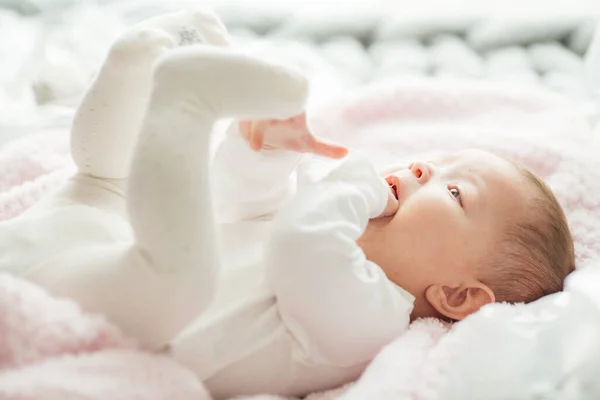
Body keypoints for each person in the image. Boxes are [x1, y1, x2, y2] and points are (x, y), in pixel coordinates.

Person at [0, 9, 575, 399]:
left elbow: (300, 242)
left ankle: (186, 99)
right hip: (72, 240)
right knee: (108, 177)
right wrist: (266, 157)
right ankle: (139, 61)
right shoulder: (327, 216)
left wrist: (353, 180)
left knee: (179, 277)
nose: (425, 168)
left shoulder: (372, 320)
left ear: (458, 295)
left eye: (453, 191)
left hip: (108, 312)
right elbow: (237, 204)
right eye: (439, 160)